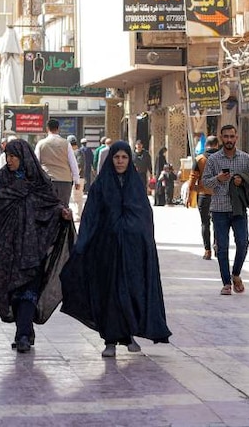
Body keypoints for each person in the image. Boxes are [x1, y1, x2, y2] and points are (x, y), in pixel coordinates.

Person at [59, 141, 170, 358]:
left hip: (131, 252)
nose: (120, 161)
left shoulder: (135, 185)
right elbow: (91, 216)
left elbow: (144, 218)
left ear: (129, 160)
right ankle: (110, 340)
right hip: (106, 250)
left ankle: (128, 335)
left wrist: (136, 236)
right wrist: (83, 245)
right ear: (111, 159)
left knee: (129, 291)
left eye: (124, 158)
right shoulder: (101, 185)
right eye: (116, 157)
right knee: (109, 293)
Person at [0, 139, 74, 354]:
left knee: (28, 289)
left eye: (14, 156)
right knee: (13, 288)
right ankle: (25, 328)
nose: (10, 160)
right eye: (8, 156)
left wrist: (61, 212)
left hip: (33, 246)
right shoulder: (4, 178)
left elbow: (50, 203)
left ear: (24, 157)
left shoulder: (39, 180)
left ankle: (22, 334)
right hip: (6, 245)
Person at [201, 125, 249, 296]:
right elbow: (205, 183)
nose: (229, 140)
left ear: (236, 138)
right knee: (222, 247)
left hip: (238, 208)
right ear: (221, 138)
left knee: (243, 243)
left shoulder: (245, 159)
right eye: (226, 137)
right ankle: (226, 282)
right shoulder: (214, 160)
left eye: (232, 136)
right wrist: (218, 178)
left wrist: (243, 181)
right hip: (219, 209)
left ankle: (236, 274)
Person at [34, 119, 81, 207]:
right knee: (63, 208)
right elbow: (73, 163)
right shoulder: (66, 144)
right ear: (58, 128)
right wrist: (76, 180)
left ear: (47, 128)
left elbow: (36, 164)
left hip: (47, 180)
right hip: (65, 181)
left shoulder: (41, 144)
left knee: (47, 208)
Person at [191, 136, 220, 260]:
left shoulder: (199, 159)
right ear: (217, 145)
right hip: (219, 196)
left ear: (206, 145)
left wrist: (199, 189)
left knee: (205, 223)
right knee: (219, 223)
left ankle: (207, 250)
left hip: (203, 196)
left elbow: (192, 180)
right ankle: (218, 248)